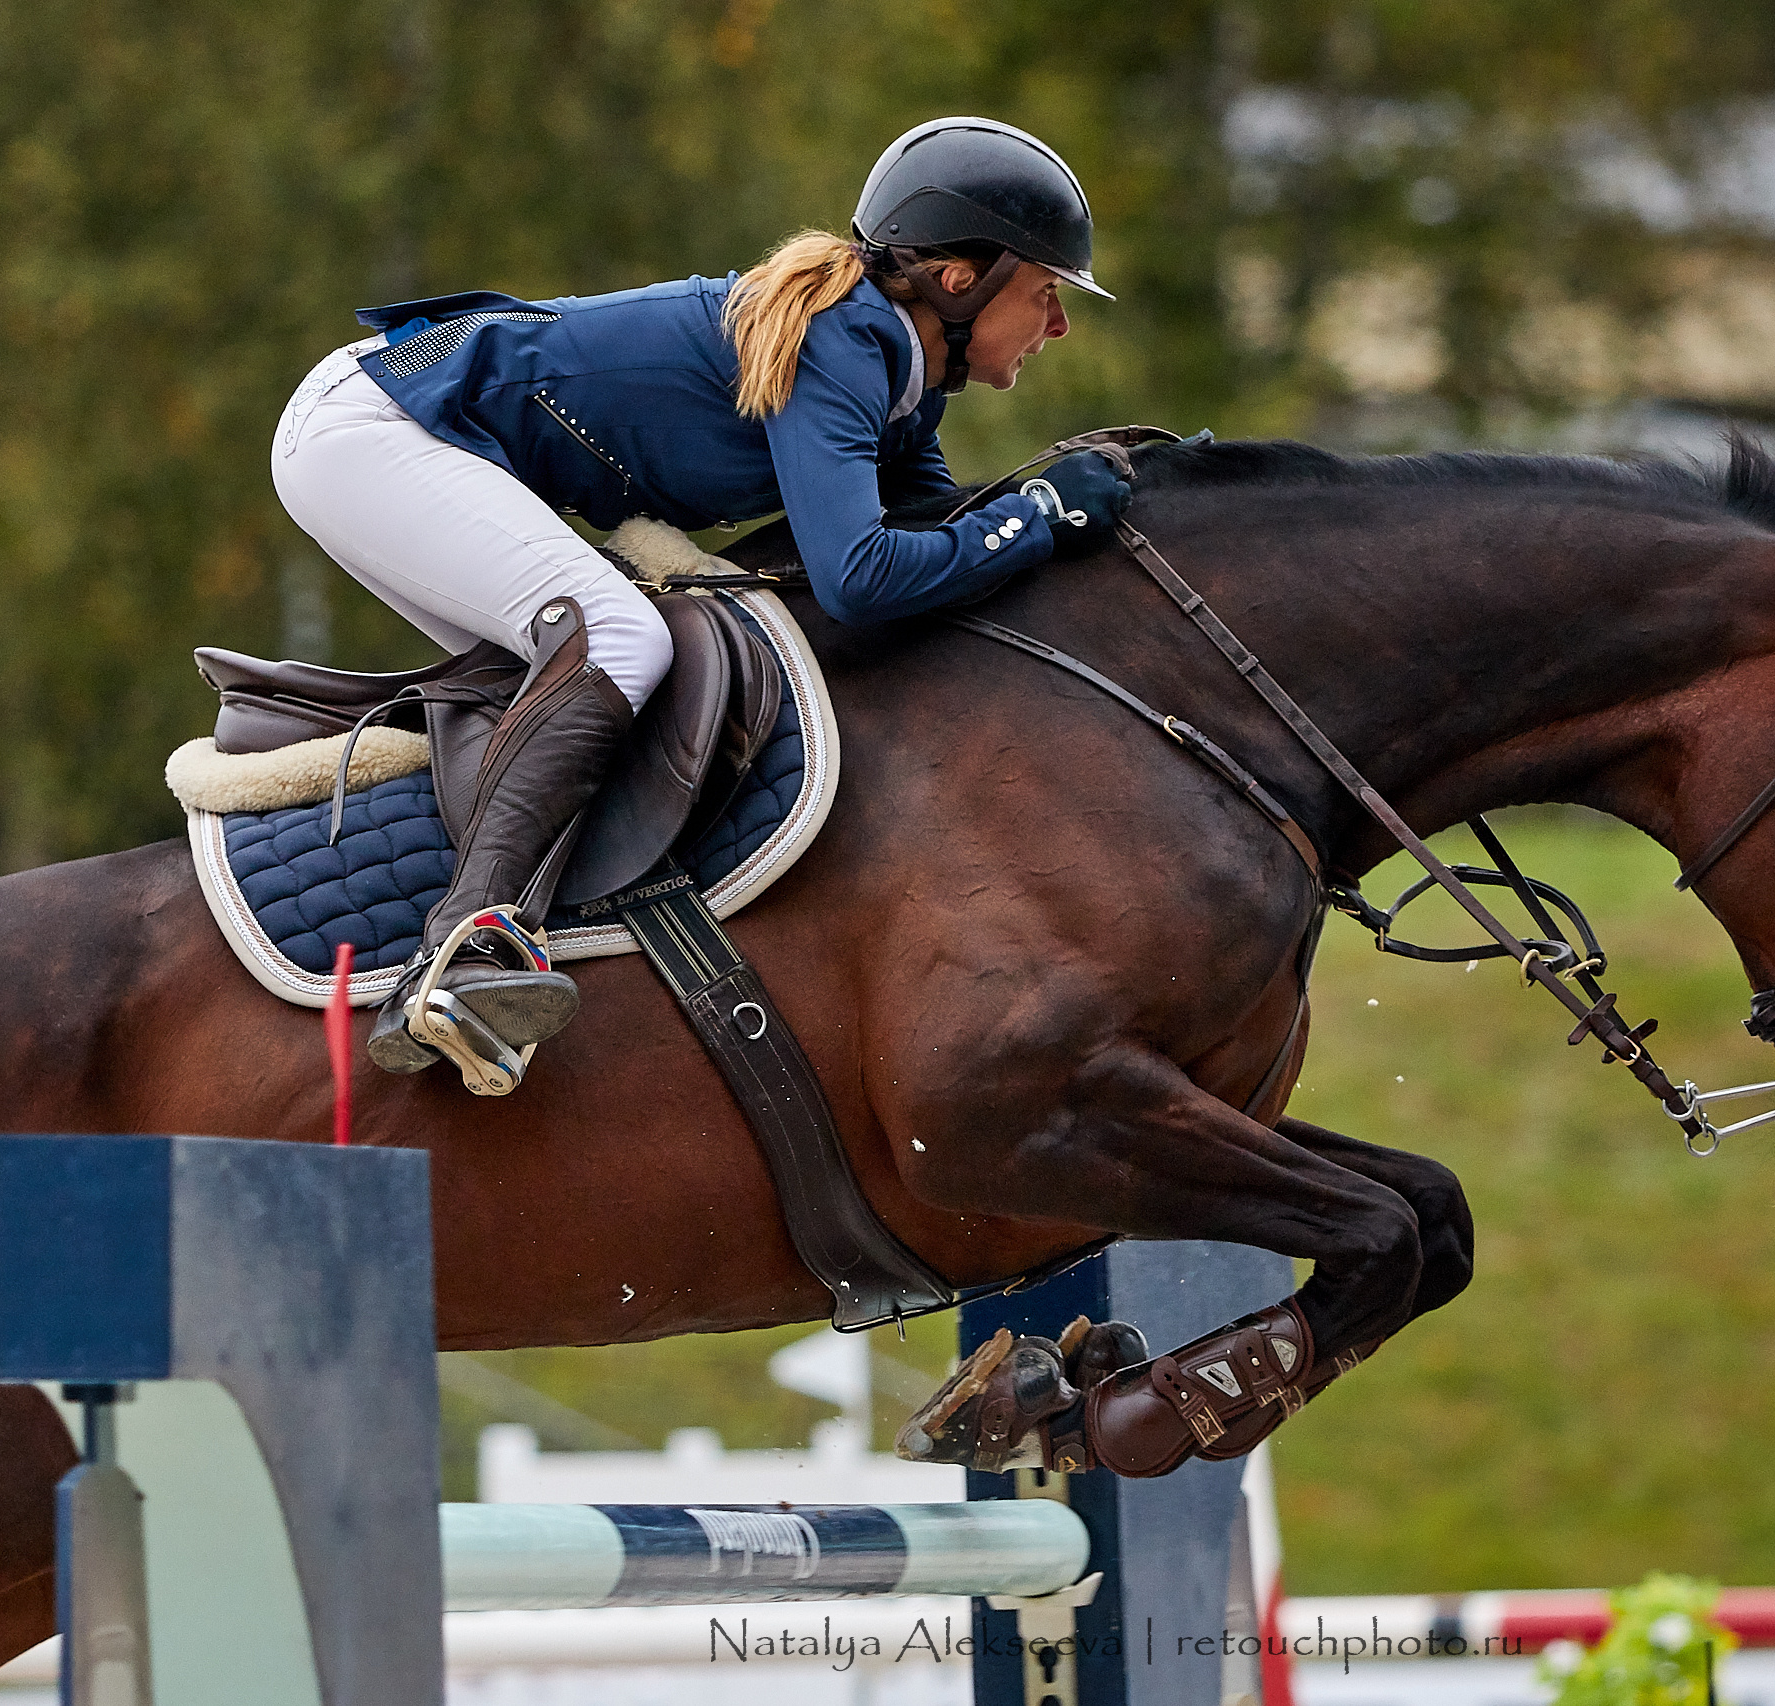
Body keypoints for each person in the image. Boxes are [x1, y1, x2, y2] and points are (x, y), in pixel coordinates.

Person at [270, 116, 1134, 1094]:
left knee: (594, 676)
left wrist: (1137, 504)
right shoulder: (843, 340)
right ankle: (463, 949)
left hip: (408, 435)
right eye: (1047, 291)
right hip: (374, 427)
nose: (1057, 325)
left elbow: (938, 533)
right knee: (620, 636)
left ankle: (492, 932)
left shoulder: (898, 373)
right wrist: (1039, 517)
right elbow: (860, 576)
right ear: (958, 281)